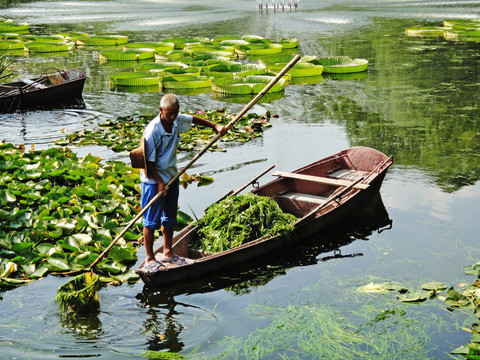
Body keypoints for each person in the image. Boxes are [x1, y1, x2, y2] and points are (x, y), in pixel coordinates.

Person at [141, 93, 227, 272]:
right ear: (161, 111)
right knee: (150, 221)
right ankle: (149, 258)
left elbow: (193, 119)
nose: (173, 118)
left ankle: (168, 252)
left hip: (171, 175)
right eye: (169, 114)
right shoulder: (152, 131)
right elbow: (147, 163)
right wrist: (159, 182)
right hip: (153, 180)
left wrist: (215, 126)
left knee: (170, 217)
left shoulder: (177, 120)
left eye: (175, 114)